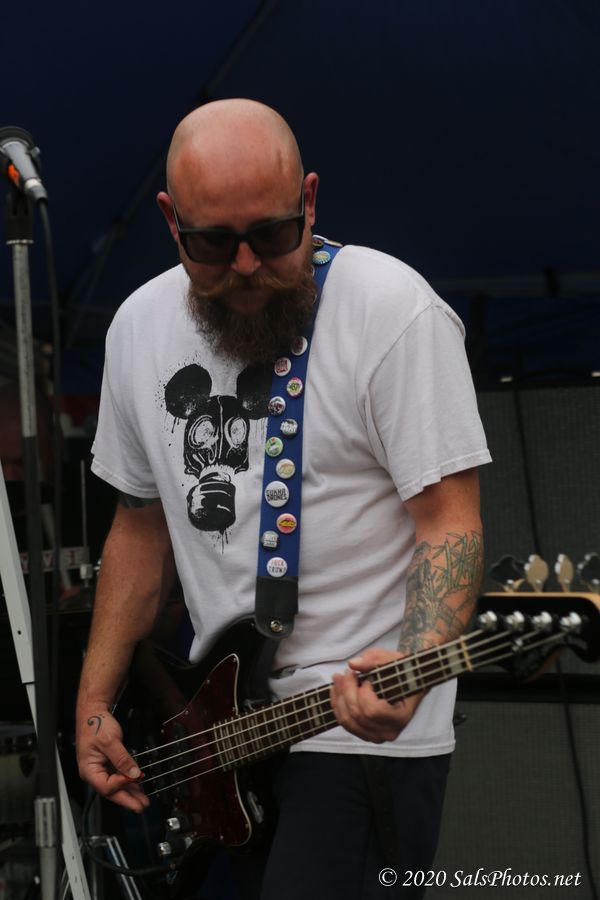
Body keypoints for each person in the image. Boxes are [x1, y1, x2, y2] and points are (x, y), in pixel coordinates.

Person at [76, 98, 491, 899]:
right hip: (223, 738)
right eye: (212, 242)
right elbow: (140, 526)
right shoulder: (136, 328)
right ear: (169, 220)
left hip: (358, 732)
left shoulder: (391, 309)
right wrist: (95, 701)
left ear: (309, 200)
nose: (244, 265)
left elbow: (450, 521)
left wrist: (411, 671)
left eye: (271, 235)